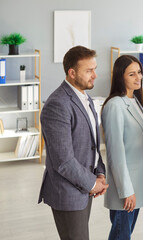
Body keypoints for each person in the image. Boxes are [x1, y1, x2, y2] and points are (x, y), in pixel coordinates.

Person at [38, 45, 108, 240]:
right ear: (72, 73)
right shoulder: (58, 104)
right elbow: (63, 161)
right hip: (68, 191)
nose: (95, 75)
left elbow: (93, 144)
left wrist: (100, 173)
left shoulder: (86, 98)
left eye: (94, 69)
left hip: (84, 186)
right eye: (89, 70)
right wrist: (92, 183)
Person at [101, 55, 143, 240]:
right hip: (125, 187)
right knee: (121, 235)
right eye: (132, 74)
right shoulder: (115, 105)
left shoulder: (136, 101)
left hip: (138, 182)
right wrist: (126, 190)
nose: (138, 77)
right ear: (120, 77)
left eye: (139, 72)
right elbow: (116, 153)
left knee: (124, 233)